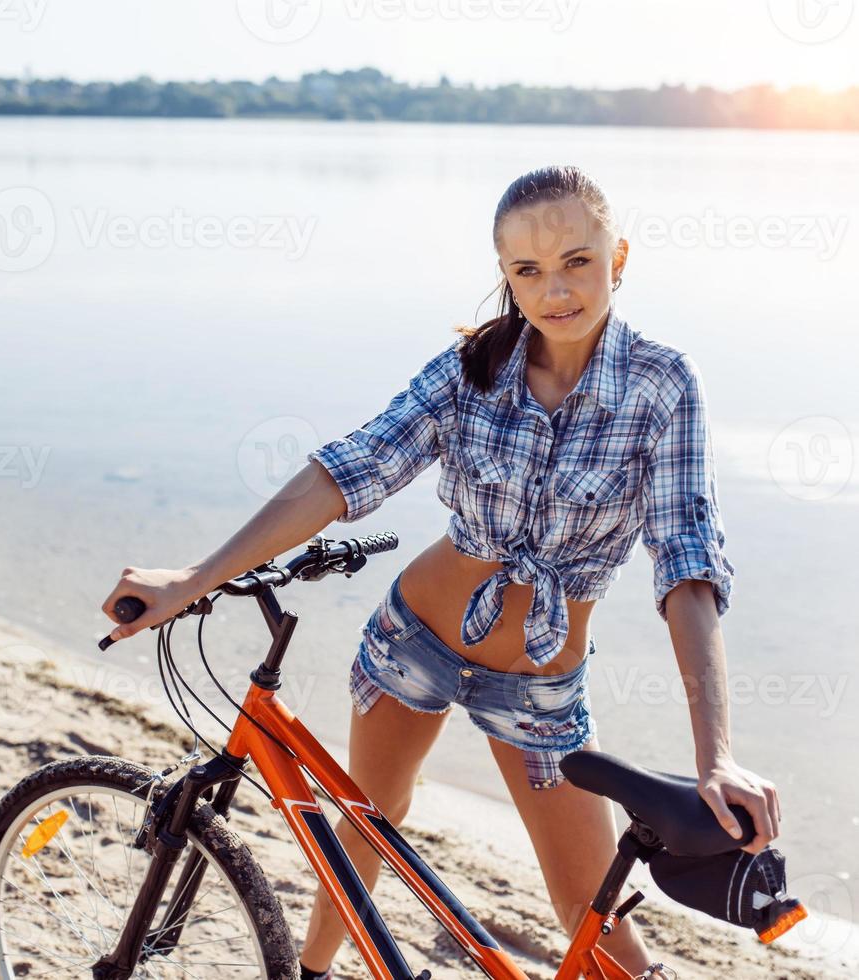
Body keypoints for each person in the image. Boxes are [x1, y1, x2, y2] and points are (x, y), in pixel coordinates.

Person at [102, 165, 781, 980]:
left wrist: (717, 757)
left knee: (587, 917)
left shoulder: (661, 385)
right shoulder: (472, 369)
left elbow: (687, 570)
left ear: (619, 258)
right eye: (527, 271)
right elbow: (345, 473)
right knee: (365, 826)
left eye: (576, 261)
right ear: (506, 276)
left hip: (539, 686)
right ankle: (312, 976)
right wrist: (195, 579)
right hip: (410, 642)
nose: (555, 291)